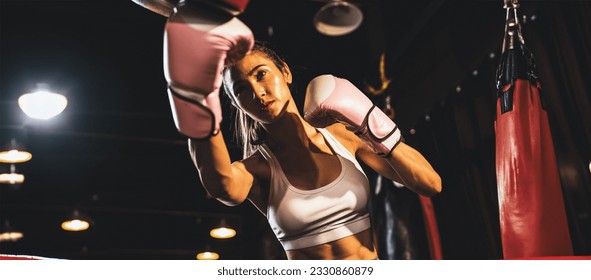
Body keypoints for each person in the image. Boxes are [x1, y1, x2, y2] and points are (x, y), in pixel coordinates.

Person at [163, 2, 442, 260]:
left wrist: (372, 122)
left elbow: (430, 184)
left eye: (261, 74)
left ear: (285, 72)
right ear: (236, 104)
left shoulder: (342, 135)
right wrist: (194, 99)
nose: (258, 93)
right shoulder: (258, 169)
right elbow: (221, 185)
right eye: (242, 91)